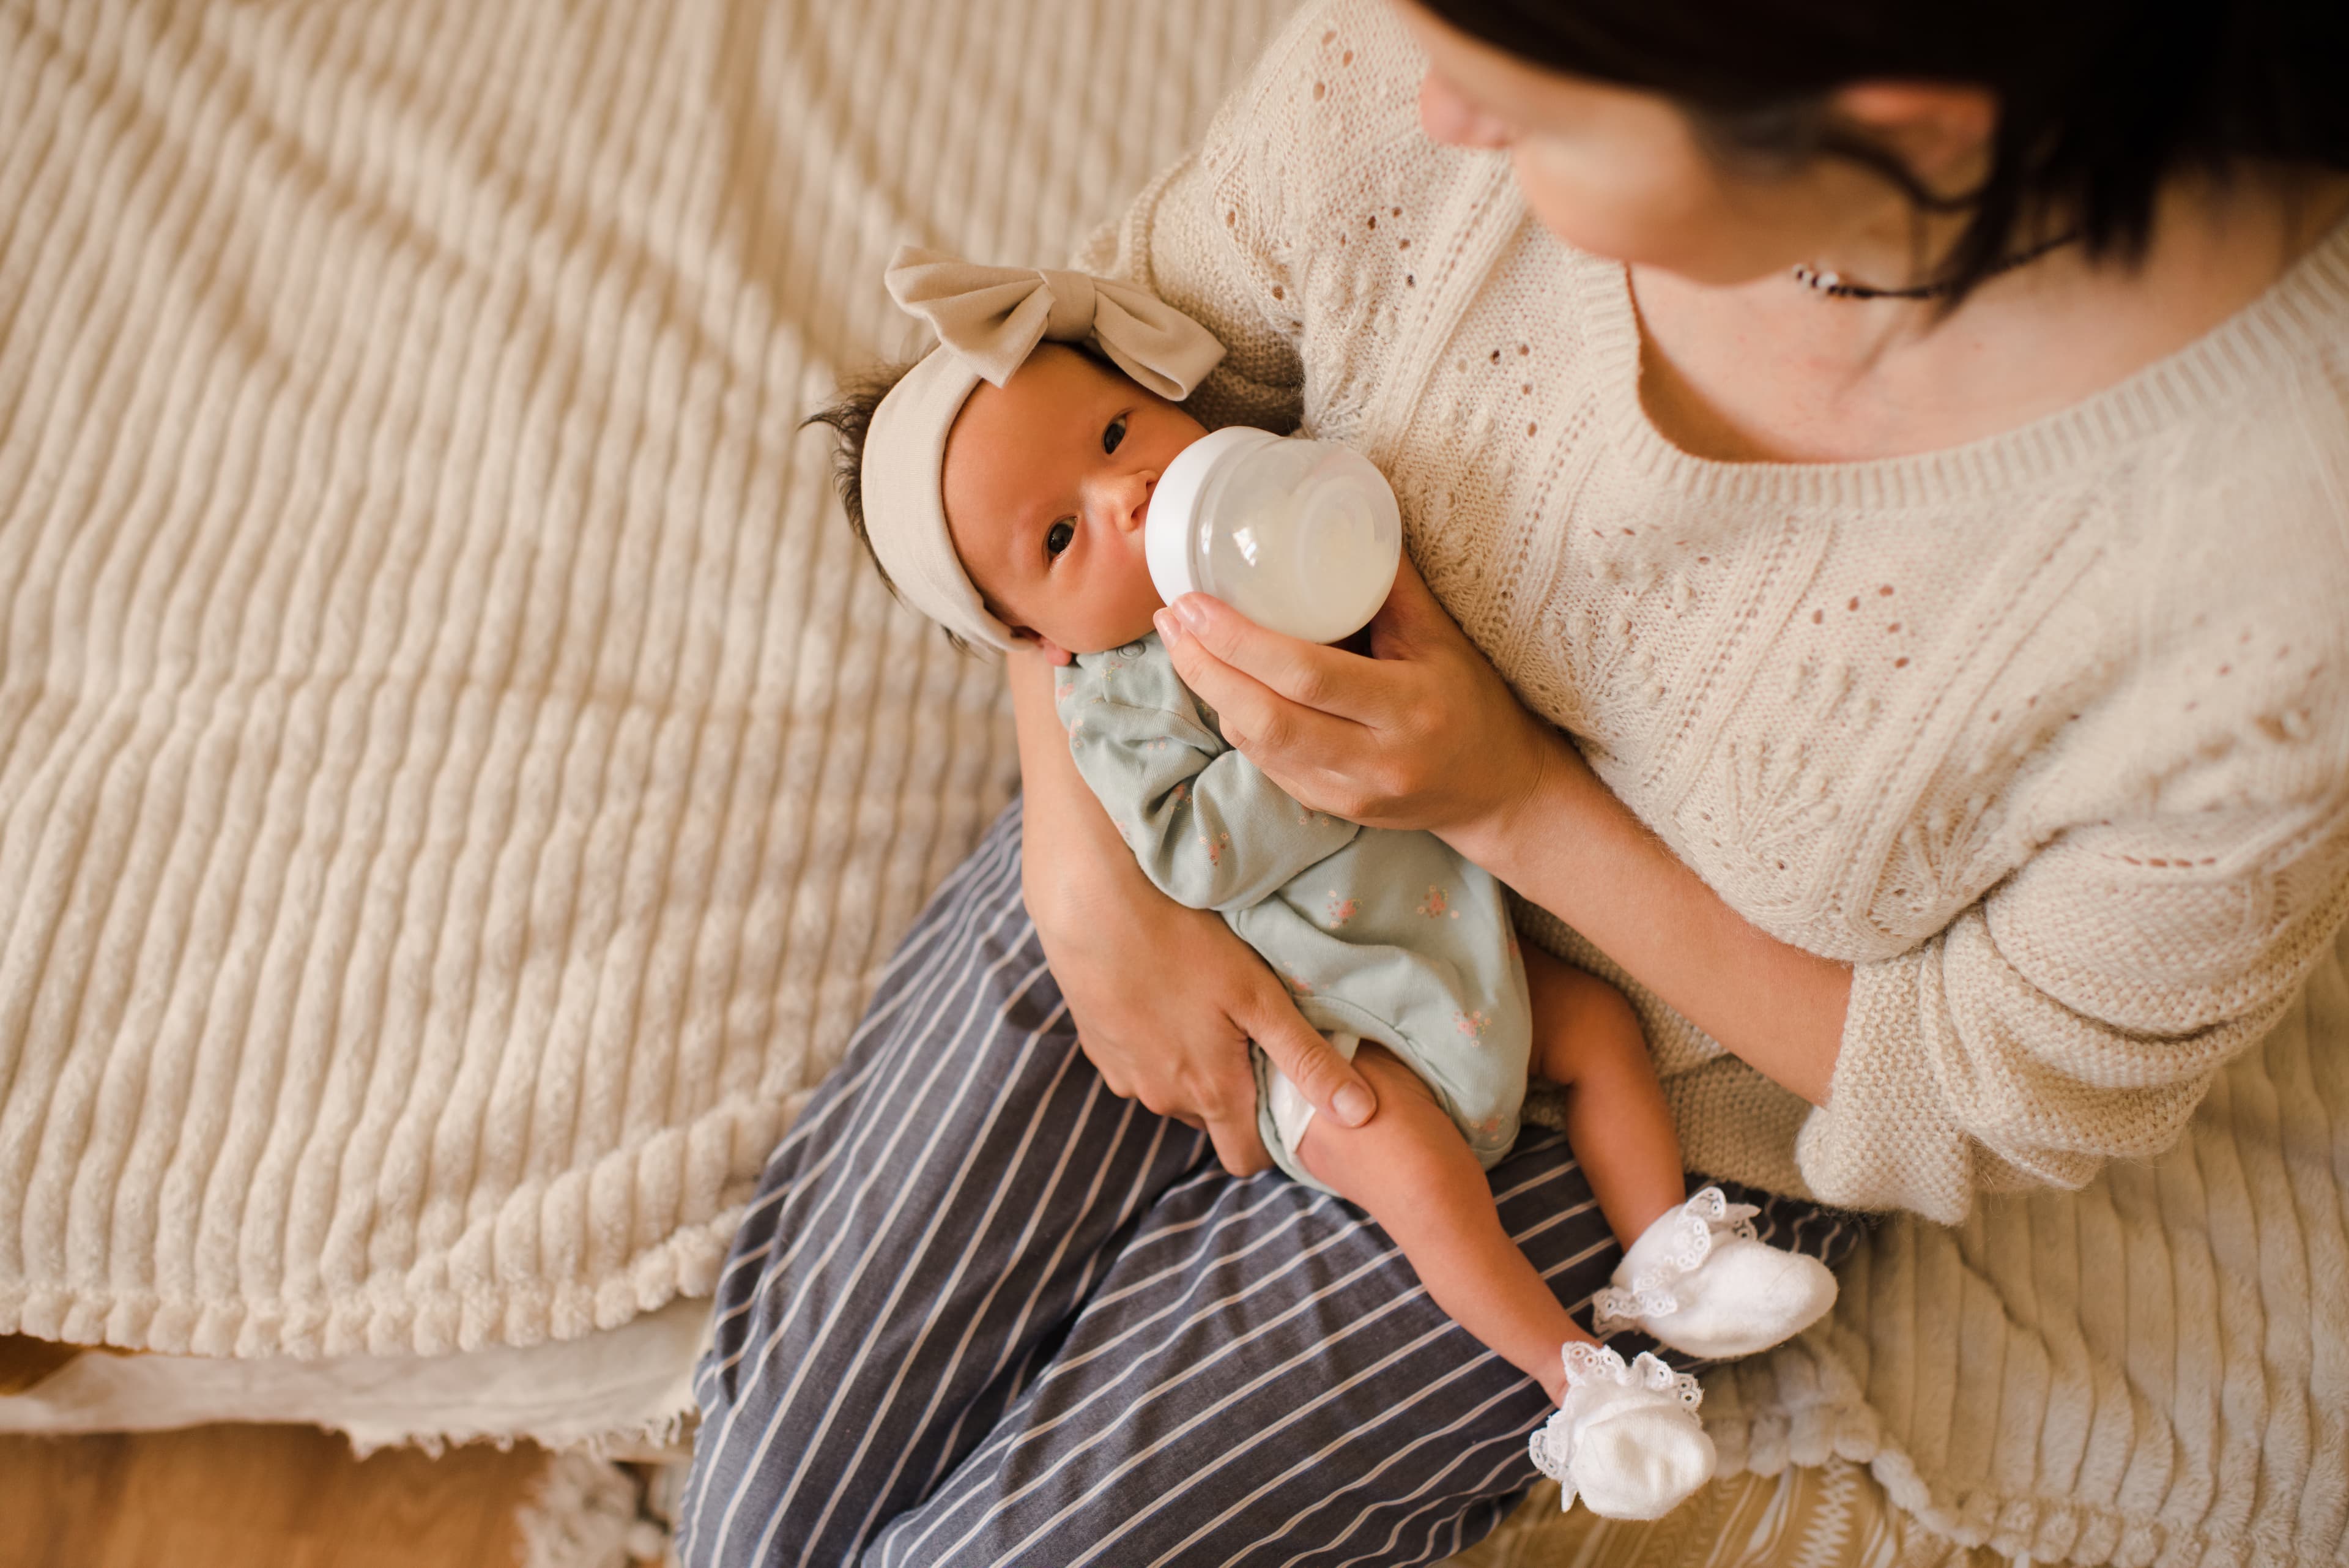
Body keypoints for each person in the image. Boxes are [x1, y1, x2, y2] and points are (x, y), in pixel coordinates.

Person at [679, 0, 2349, 1562]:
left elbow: (2003, 1079)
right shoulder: (1449, 48)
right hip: (1187, 795)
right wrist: (1077, 848)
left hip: (1639, 1081)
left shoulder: (2275, 580)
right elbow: (1074, 392)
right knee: (787, 1446)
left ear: (1886, 123)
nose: (1437, 105)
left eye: (1527, 100)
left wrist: (1506, 801)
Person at [801, 247, 1847, 1518]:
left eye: (1119, 430)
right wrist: (1280, 731)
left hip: (1461, 948)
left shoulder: (1259, 539)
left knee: (1602, 1029)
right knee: (1409, 1164)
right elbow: (1192, 849)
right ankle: (1579, 1382)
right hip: (1332, 1029)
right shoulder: (1121, 699)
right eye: (1065, 534)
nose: (1128, 495)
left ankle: (1669, 1248)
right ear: (1032, 639)